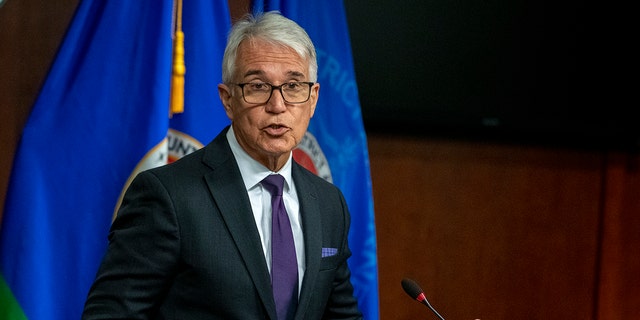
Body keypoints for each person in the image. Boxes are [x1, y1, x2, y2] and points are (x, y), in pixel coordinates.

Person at [82, 11, 363, 320]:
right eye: (258, 86)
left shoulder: (329, 204)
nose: (278, 106)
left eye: (293, 86)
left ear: (312, 99)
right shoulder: (168, 196)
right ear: (228, 99)